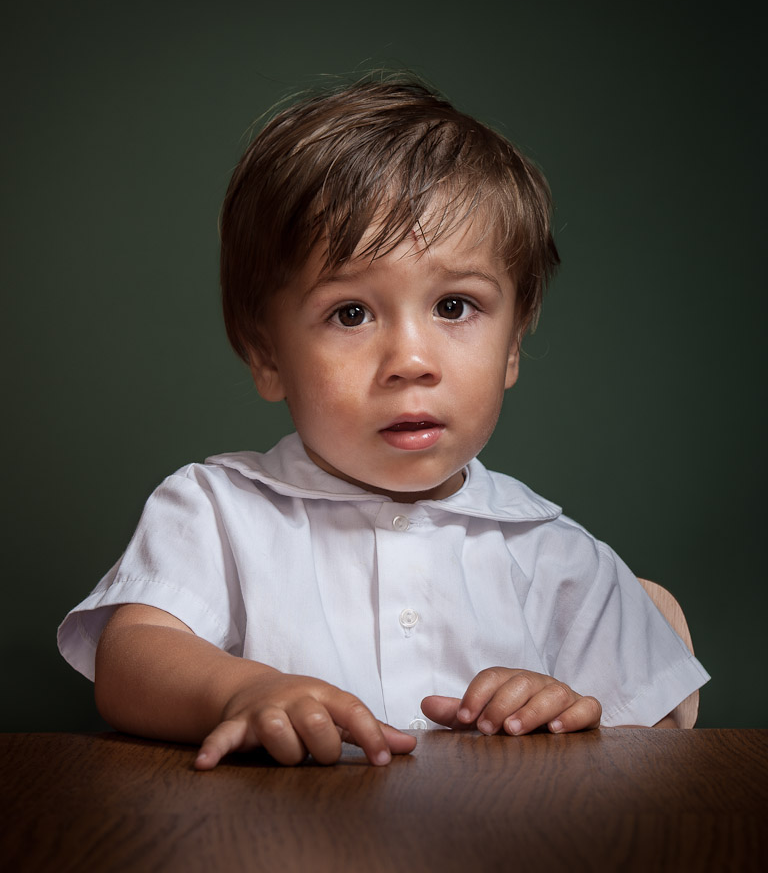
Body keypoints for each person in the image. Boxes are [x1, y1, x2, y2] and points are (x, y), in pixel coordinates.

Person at [58, 78, 709, 769]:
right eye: (351, 313)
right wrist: (242, 691)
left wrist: (568, 713)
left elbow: (658, 754)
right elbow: (131, 657)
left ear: (514, 344)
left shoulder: (558, 557)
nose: (411, 361)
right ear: (266, 352)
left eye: (455, 307)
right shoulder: (217, 511)